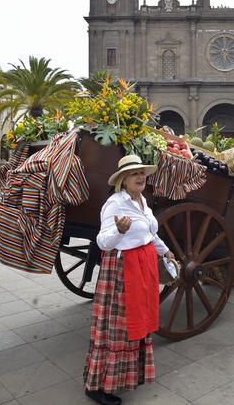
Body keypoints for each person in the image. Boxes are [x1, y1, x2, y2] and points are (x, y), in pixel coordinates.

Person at [83, 155, 176, 405]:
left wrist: (166, 251)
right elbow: (102, 241)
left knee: (136, 325)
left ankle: (124, 377)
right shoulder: (114, 204)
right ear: (123, 180)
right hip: (123, 271)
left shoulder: (142, 202)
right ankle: (97, 386)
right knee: (117, 329)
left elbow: (150, 233)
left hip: (143, 267)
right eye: (134, 173)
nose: (140, 177)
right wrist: (119, 230)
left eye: (142, 173)